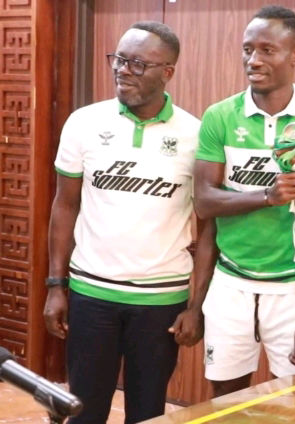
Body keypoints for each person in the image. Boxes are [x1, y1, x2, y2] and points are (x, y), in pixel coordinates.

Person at [44, 22, 207, 423]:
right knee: (83, 411)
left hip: (160, 302)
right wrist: (56, 285)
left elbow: (208, 226)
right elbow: (64, 206)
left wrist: (196, 306)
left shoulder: (195, 135)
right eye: (118, 60)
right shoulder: (83, 122)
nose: (122, 70)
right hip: (91, 294)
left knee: (147, 412)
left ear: (167, 71)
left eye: (137, 63)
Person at [193, 5, 295, 397]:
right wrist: (266, 196)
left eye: (266, 50)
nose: (253, 60)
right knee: (226, 399)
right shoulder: (219, 117)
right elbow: (204, 202)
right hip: (231, 283)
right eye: (248, 49)